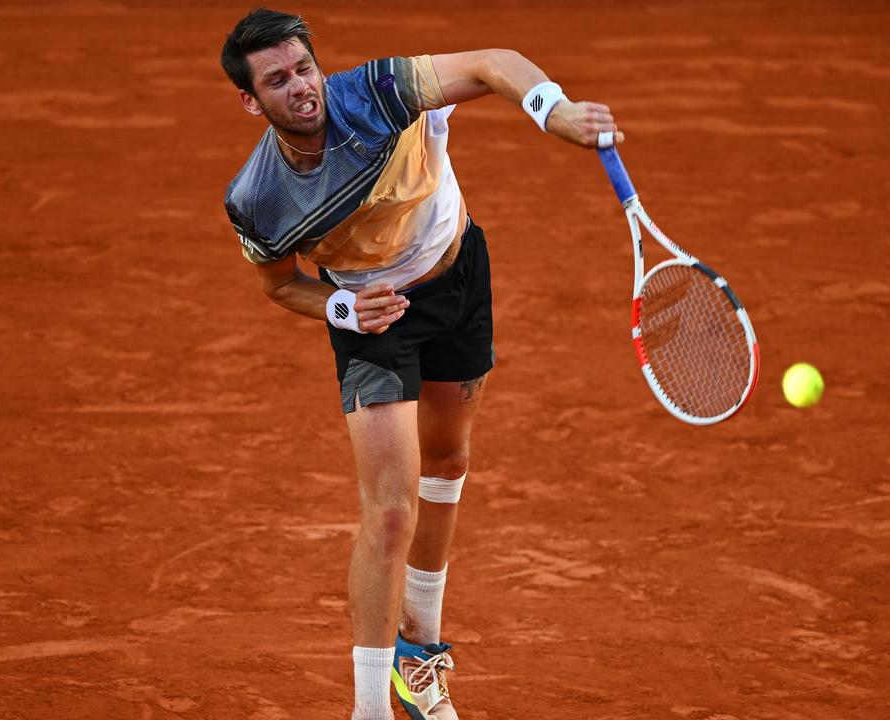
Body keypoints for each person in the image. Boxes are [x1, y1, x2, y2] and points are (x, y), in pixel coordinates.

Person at [220, 9, 622, 719]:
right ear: (252, 101)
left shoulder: (377, 92)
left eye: (305, 68)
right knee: (391, 513)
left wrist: (552, 110)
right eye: (278, 81)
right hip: (374, 321)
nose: (301, 87)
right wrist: (343, 311)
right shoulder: (258, 199)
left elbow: (493, 61)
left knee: (446, 463)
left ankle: (420, 654)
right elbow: (280, 282)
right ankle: (369, 709)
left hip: (458, 277)